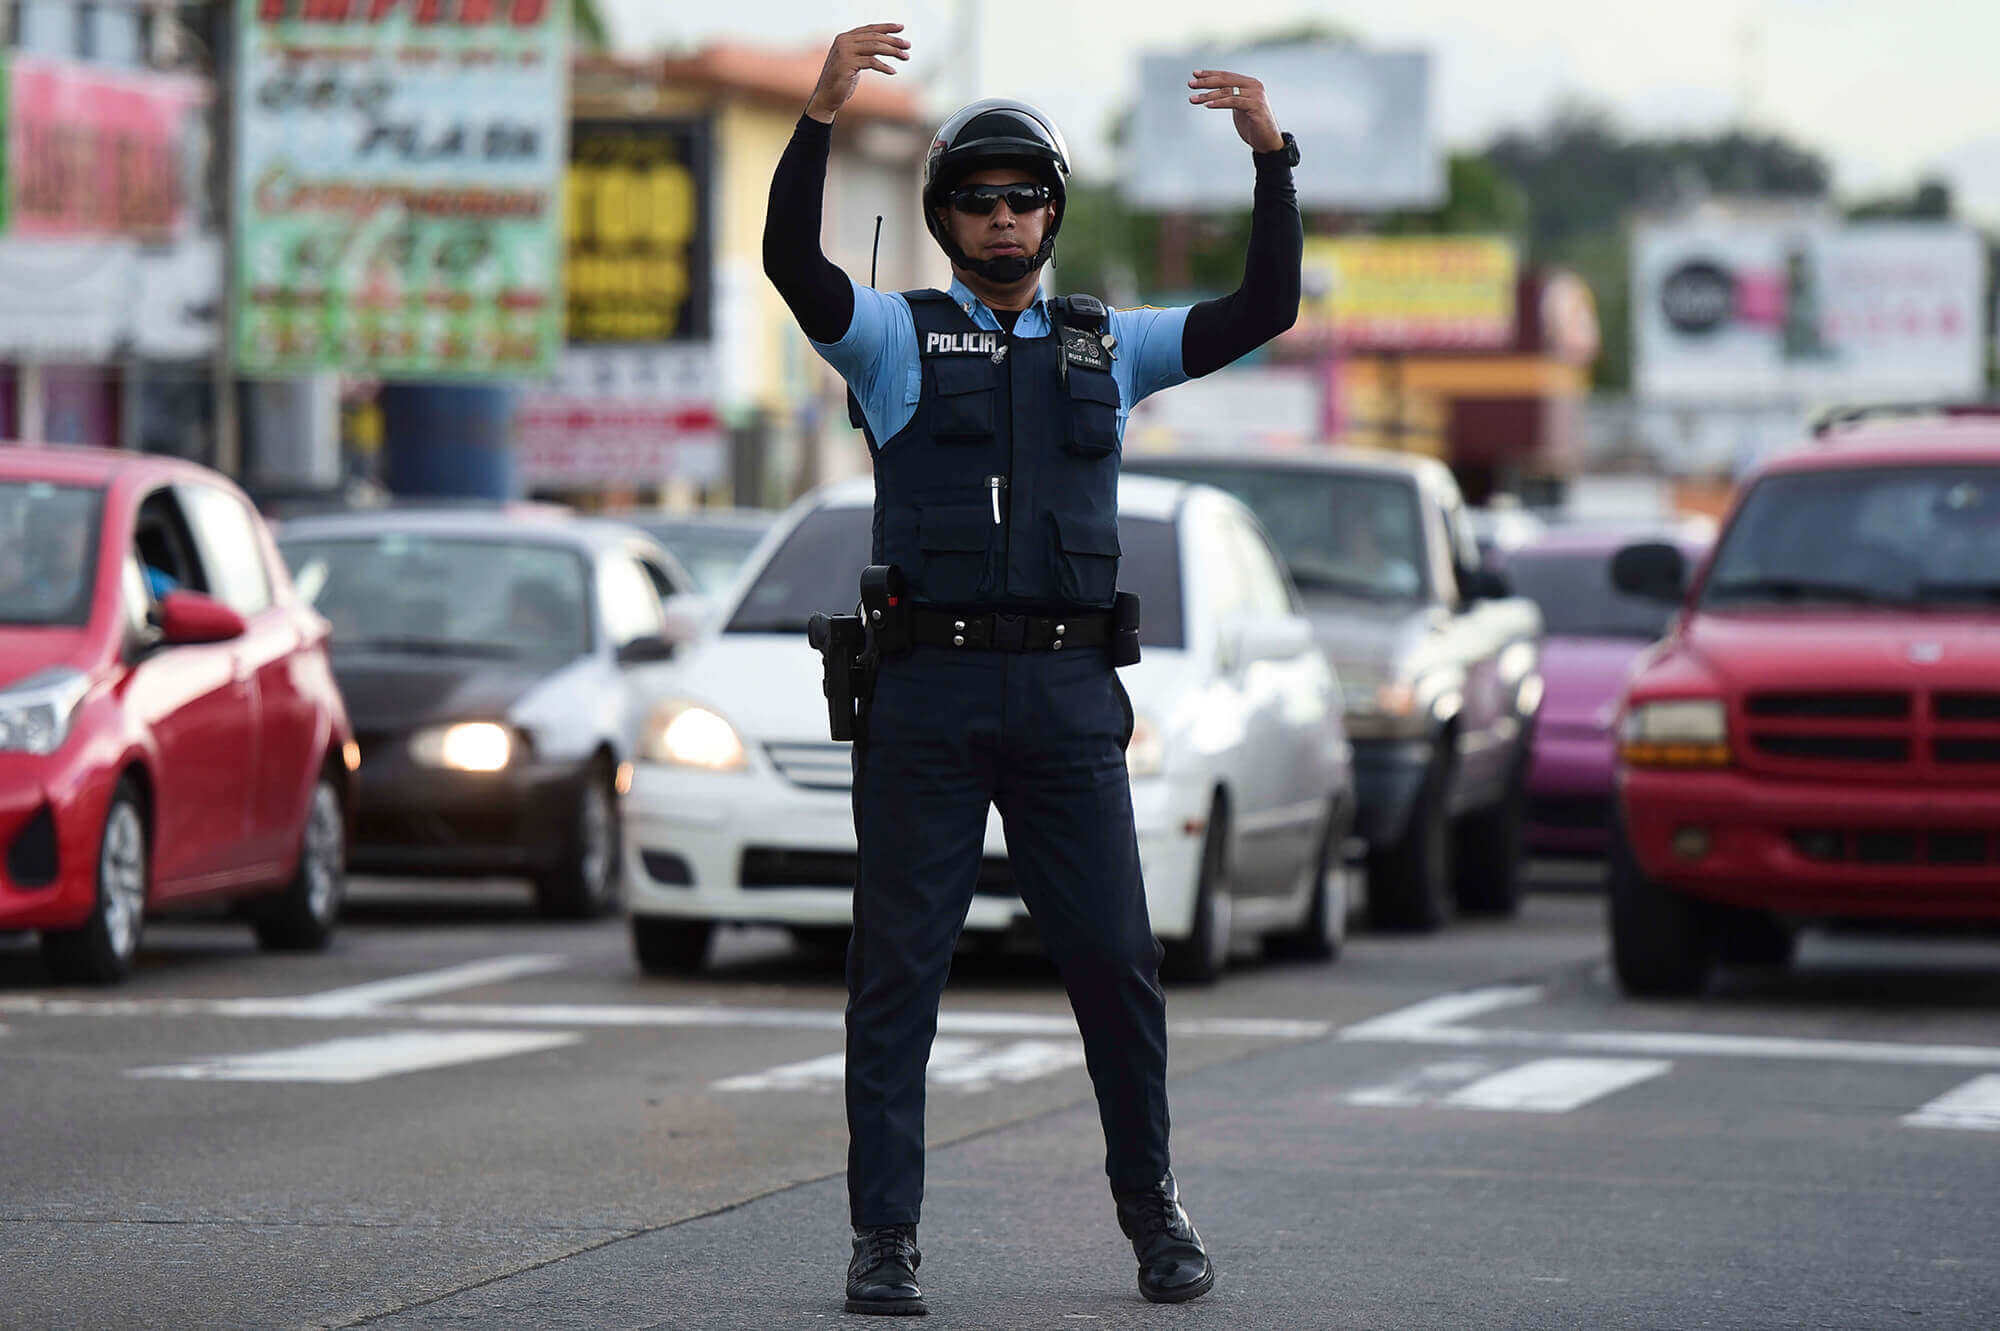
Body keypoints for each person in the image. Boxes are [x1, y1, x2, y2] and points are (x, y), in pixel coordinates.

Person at [764, 21, 1300, 1316]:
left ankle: (1155, 1215)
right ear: (944, 217)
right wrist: (820, 116)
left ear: (1053, 213)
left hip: (1068, 704)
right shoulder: (891, 339)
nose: (1001, 221)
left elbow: (1263, 307)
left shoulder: (1107, 346)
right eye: (976, 201)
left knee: (1117, 962)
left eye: (1023, 200)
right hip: (927, 700)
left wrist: (1272, 159)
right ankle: (882, 1239)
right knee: (897, 973)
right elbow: (791, 262)